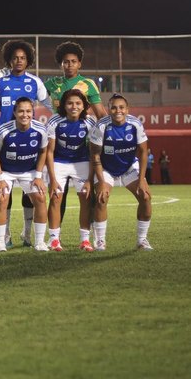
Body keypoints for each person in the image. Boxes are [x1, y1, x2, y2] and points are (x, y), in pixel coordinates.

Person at [0, 40, 51, 248]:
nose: (19, 61)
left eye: (23, 58)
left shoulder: (35, 82)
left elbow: (49, 103)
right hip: (6, 139)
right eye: (15, 57)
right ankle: (5, 236)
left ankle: (29, 234)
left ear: (28, 61)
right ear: (9, 60)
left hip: (27, 140)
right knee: (3, 196)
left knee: (31, 194)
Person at [43, 41, 107, 229]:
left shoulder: (88, 84)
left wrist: (105, 141)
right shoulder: (52, 84)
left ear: (79, 63)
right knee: (57, 195)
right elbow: (30, 94)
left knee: (88, 194)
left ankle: (91, 233)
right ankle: (55, 236)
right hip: (59, 146)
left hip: (83, 147)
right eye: (65, 61)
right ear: (60, 64)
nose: (69, 65)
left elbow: (101, 115)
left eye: (73, 61)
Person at [89, 94, 153, 250]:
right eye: (114, 107)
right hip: (106, 168)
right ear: (109, 109)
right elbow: (95, 155)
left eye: (121, 107)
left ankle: (142, 240)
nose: (118, 110)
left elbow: (143, 152)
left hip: (128, 167)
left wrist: (142, 179)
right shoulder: (101, 126)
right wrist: (102, 182)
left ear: (127, 109)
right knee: (102, 198)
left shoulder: (135, 124)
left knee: (145, 197)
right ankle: (100, 241)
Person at [0, 97, 49, 252]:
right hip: (6, 172)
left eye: (28, 111)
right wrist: (0, 178)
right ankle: (0, 242)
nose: (25, 115)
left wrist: (38, 176)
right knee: (2, 199)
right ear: (15, 113)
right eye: (21, 111)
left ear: (33, 112)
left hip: (29, 172)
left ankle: (39, 242)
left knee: (40, 198)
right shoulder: (4, 130)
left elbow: (43, 151)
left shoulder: (40, 130)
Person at [45, 89, 98, 252]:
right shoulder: (54, 121)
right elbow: (49, 152)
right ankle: (54, 240)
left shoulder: (90, 122)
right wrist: (52, 179)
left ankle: (85, 240)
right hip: (59, 162)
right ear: (63, 105)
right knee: (55, 199)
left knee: (86, 199)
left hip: (81, 162)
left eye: (78, 103)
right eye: (70, 103)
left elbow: (93, 152)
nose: (74, 106)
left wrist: (89, 179)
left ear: (84, 106)